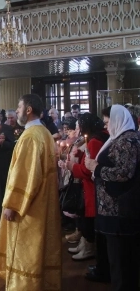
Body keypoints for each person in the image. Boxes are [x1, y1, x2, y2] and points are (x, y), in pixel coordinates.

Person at [0, 94, 61, 290]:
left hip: (29, 208)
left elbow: (26, 176)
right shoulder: (45, 133)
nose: (17, 111)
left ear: (28, 110)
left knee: (26, 252)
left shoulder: (30, 137)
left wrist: (12, 205)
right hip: (43, 203)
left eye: (19, 108)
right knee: (40, 249)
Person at [85, 105, 140, 290]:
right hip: (112, 209)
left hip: (119, 210)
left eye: (108, 123)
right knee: (117, 259)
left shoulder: (128, 141)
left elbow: (125, 173)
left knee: (122, 261)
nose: (106, 127)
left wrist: (96, 168)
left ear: (118, 120)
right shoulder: (119, 139)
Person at [59, 113, 109, 262]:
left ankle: (89, 247)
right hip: (90, 185)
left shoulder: (94, 141)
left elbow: (88, 170)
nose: (77, 129)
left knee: (88, 219)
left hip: (90, 186)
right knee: (85, 219)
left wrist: (71, 165)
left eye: (78, 126)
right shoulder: (96, 138)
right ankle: (85, 244)